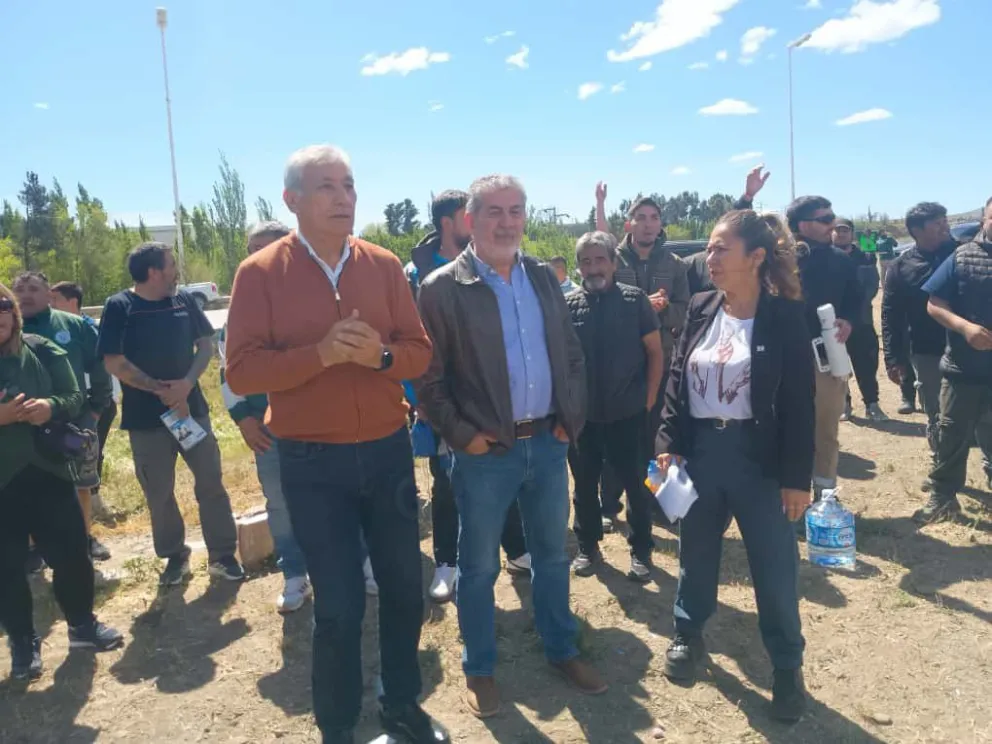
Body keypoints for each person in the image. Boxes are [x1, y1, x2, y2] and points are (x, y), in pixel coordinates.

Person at [224, 144, 446, 744]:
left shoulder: (383, 265)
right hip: (311, 460)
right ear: (292, 199)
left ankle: (401, 704)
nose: (344, 197)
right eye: (327, 186)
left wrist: (380, 357)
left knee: (403, 590)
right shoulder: (260, 273)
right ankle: (338, 725)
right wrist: (319, 355)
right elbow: (241, 371)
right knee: (340, 606)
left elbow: (419, 352)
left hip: (386, 451)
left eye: (349, 185)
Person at [418, 174, 605, 720]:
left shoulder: (543, 277)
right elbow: (429, 379)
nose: (506, 222)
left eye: (516, 211)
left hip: (547, 443)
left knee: (552, 556)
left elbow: (572, 355)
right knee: (479, 568)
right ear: (470, 220)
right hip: (485, 455)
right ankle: (479, 667)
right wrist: (463, 436)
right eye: (494, 212)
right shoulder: (441, 288)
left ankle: (562, 649)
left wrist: (571, 417)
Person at [655, 210, 814, 723]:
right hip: (702, 453)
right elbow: (677, 379)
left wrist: (796, 478)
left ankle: (786, 668)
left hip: (759, 460)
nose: (711, 257)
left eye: (722, 248)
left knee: (773, 565)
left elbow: (800, 403)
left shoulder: (784, 316)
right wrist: (668, 440)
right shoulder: (702, 306)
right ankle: (688, 633)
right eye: (710, 248)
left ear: (757, 256)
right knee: (695, 552)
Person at [405, 189, 530, 603]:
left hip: (495, 400)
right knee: (447, 484)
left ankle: (516, 549)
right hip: (443, 404)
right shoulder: (416, 275)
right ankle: (447, 562)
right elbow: (410, 343)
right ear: (449, 223)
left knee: (504, 473)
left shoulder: (489, 263)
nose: (478, 221)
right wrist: (421, 402)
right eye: (468, 215)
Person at [97, 242, 243, 586]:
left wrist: (187, 384)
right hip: (146, 421)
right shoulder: (120, 306)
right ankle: (175, 556)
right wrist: (159, 390)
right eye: (171, 264)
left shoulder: (184, 301)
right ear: (154, 272)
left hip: (191, 412)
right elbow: (113, 361)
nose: (176, 271)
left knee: (210, 481)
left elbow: (205, 344)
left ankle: (223, 555)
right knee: (158, 491)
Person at [0, 284, 124, 681]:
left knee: (72, 554)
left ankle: (82, 626)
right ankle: (23, 643)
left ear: (14, 312)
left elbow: (73, 395)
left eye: (2, 306)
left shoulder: (40, 349)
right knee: (6, 568)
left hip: (49, 473)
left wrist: (48, 407)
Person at [216, 220, 311, 613]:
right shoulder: (240, 309)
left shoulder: (314, 297)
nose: (258, 257)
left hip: (320, 421)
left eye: (267, 248)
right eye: (253, 248)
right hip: (267, 428)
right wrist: (243, 418)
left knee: (341, 494)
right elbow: (227, 371)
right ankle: (295, 574)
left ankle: (358, 561)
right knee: (281, 502)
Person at [565, 231, 663, 582]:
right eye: (585, 261)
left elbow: (655, 353)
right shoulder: (568, 306)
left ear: (613, 262)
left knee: (636, 485)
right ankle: (588, 546)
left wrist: (649, 399)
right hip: (583, 418)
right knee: (584, 486)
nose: (593, 268)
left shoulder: (635, 301)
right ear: (578, 266)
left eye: (599, 260)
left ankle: (641, 550)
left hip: (629, 414)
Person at [15, 272, 115, 561]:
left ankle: (83, 540)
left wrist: (95, 409)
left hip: (73, 420)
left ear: (49, 295)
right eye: (20, 289)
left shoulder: (73, 325)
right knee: (26, 485)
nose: (26, 295)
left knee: (80, 484)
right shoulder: (8, 329)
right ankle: (33, 549)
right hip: (22, 423)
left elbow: (100, 366)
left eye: (33, 289)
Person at [918, 196, 992, 522]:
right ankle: (943, 497)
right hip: (964, 368)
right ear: (984, 219)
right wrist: (965, 328)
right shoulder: (962, 256)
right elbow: (934, 304)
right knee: (951, 435)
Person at [881, 202, 958, 495]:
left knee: (982, 411)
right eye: (937, 223)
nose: (945, 226)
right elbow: (890, 314)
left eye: (945, 220)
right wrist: (893, 357)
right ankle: (941, 467)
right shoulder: (901, 267)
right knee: (937, 413)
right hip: (927, 351)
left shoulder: (963, 254)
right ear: (916, 230)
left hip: (971, 346)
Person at [786, 196, 860, 498]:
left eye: (833, 217)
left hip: (826, 358)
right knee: (785, 428)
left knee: (826, 429)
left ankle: (825, 495)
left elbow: (856, 299)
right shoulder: (779, 259)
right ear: (802, 225)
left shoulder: (842, 260)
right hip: (782, 358)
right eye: (825, 219)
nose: (833, 224)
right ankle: (787, 494)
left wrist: (848, 321)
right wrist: (747, 198)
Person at [50, 281, 119, 513]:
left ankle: (93, 500)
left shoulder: (89, 328)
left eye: (55, 300)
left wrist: (99, 407)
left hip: (95, 404)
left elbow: (104, 369)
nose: (51, 304)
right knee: (70, 451)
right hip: (70, 405)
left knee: (90, 451)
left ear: (72, 302)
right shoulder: (48, 327)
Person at [830, 219, 888, 422]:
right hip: (833, 323)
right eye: (837, 230)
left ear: (852, 234)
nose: (840, 234)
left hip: (861, 321)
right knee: (838, 366)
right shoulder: (825, 258)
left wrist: (852, 311)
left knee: (866, 365)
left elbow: (871, 287)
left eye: (844, 230)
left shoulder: (865, 257)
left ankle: (872, 404)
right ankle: (844, 404)